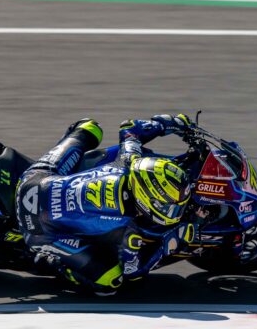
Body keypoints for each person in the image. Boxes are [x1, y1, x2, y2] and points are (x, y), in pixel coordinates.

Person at [15, 114, 197, 295]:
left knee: (88, 127)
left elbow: (130, 127)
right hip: (39, 230)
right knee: (110, 281)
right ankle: (48, 261)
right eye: (169, 206)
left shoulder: (128, 161)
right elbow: (133, 272)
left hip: (35, 179)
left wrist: (169, 123)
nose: (174, 210)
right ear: (145, 200)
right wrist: (169, 244)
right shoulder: (130, 229)